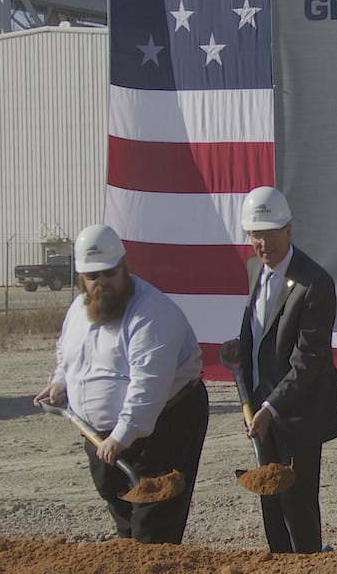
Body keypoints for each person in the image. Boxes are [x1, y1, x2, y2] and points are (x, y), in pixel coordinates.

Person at [33, 224, 208, 544]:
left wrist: (121, 435)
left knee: (153, 522)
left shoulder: (151, 313)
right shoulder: (78, 311)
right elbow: (68, 356)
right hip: (102, 436)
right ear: (81, 278)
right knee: (121, 513)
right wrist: (60, 383)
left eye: (109, 273)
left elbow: (148, 387)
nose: (102, 283)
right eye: (93, 276)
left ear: (123, 268)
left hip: (162, 425)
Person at [220, 186, 337, 554]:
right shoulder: (253, 270)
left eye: (270, 233)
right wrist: (242, 346)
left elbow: (309, 357)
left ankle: (305, 563)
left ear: (288, 230)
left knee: (297, 505)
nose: (263, 243)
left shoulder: (314, 283)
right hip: (263, 410)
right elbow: (264, 328)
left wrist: (271, 408)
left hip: (298, 413)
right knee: (270, 502)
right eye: (255, 235)